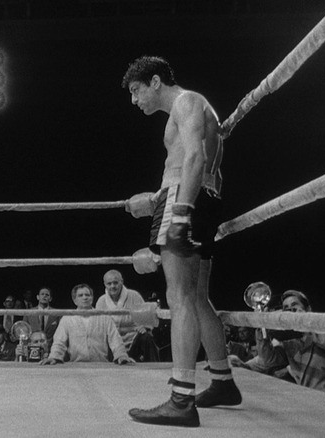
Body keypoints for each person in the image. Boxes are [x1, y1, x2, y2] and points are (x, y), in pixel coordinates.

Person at [123, 56, 240, 428]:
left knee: (179, 297)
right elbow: (203, 168)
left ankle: (181, 399)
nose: (134, 100)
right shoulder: (199, 106)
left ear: (156, 82)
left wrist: (180, 211)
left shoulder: (186, 101)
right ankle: (222, 381)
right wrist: (162, 200)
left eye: (136, 91)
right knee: (198, 297)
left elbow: (194, 157)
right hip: (201, 199)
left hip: (184, 200)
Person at [257, 290, 325, 392]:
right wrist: (262, 328)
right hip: (312, 396)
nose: (290, 310)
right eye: (286, 308)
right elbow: (268, 360)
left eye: (294, 305)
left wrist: (305, 324)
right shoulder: (290, 340)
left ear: (308, 309)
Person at [42, 284, 134, 365]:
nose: (84, 297)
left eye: (87, 295)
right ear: (74, 300)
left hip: (101, 366)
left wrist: (121, 355)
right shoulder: (67, 319)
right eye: (80, 295)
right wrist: (54, 357)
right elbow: (59, 342)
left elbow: (115, 340)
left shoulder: (104, 317)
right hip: (76, 366)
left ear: (92, 298)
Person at [96, 270, 159, 362]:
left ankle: (154, 367)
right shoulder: (101, 301)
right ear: (105, 284)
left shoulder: (134, 296)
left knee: (146, 338)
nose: (112, 286)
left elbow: (146, 318)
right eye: (109, 284)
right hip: (112, 343)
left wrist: (145, 327)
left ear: (121, 281)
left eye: (115, 283)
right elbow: (98, 326)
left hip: (133, 339)